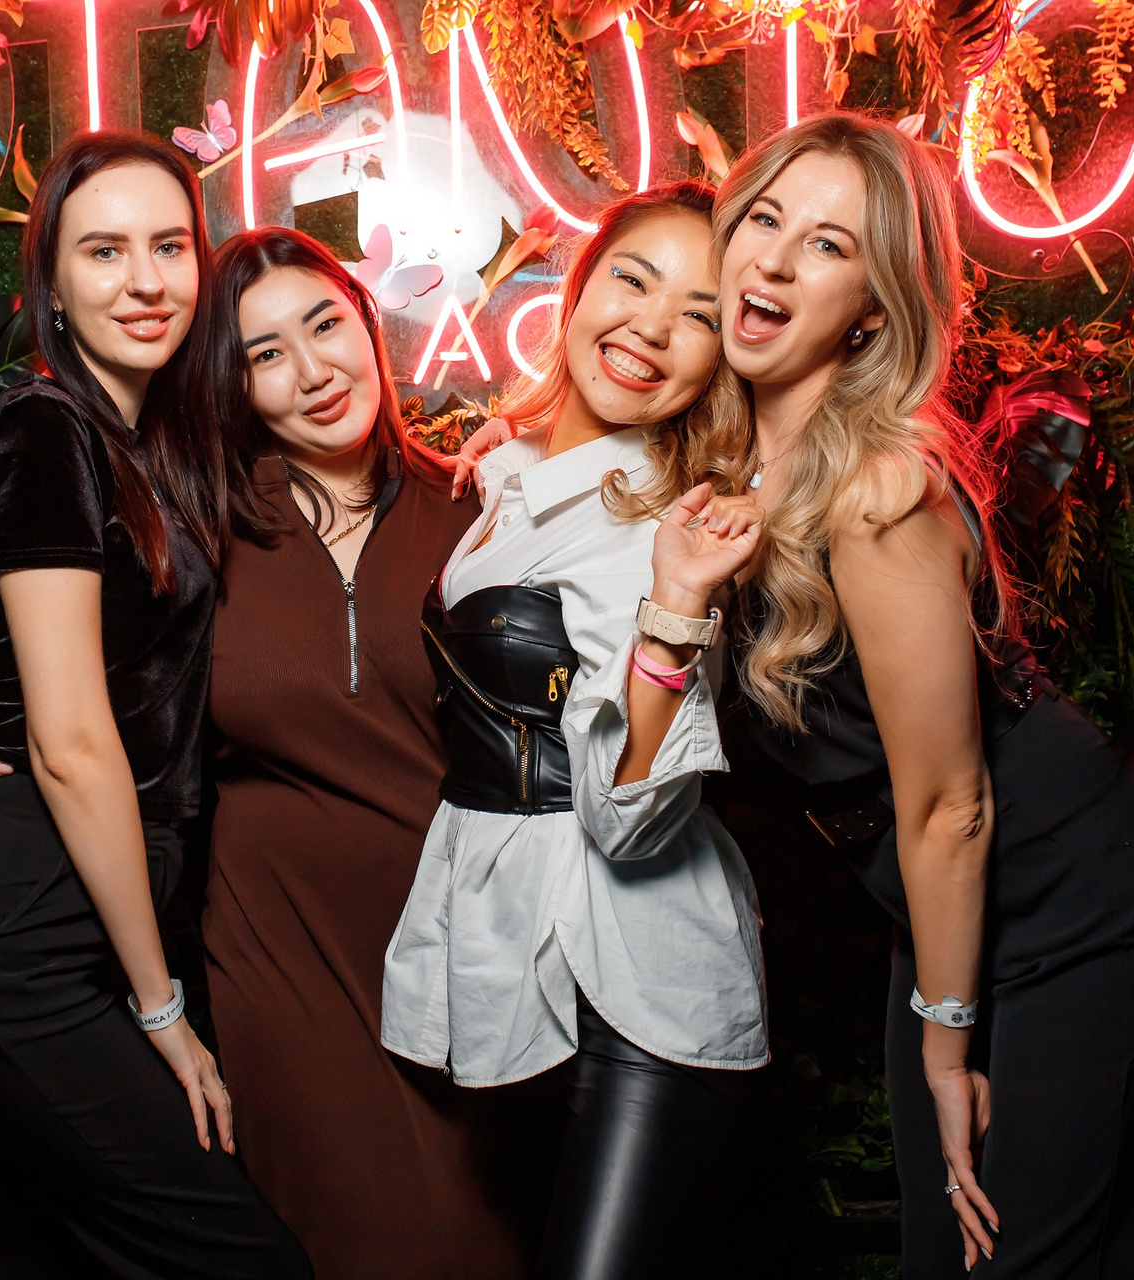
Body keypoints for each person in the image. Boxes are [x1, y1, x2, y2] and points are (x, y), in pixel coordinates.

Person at [0, 226, 531, 1280]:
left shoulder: (487, 503)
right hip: (277, 962)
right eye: (264, 353)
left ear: (370, 323)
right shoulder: (193, 531)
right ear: (229, 384)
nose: (312, 370)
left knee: (470, 1243)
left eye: (325, 325)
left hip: (459, 952)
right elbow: (68, 687)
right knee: (324, 1240)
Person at [674, 111, 1134, 1277]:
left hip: (1069, 887)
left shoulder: (877, 487)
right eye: (764, 220)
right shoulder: (738, 459)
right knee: (948, 1246)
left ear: (874, 306)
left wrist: (947, 1048)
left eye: (827, 244)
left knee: (1015, 1247)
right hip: (941, 897)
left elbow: (953, 801)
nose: (773, 260)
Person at [0, 132, 311, 1279]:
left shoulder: (152, 444)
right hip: (23, 925)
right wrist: (160, 1004)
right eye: (104, 251)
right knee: (246, 1264)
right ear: (53, 285)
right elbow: (73, 743)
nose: (145, 280)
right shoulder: (43, 430)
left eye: (170, 246)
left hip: (74, 908)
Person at [378, 179, 770, 1280]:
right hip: (521, 960)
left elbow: (629, 824)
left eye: (699, 314)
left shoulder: (668, 521)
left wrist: (676, 603)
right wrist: (510, 434)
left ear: (723, 357)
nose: (650, 327)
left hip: (642, 978)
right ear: (581, 282)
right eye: (633, 281)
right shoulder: (517, 475)